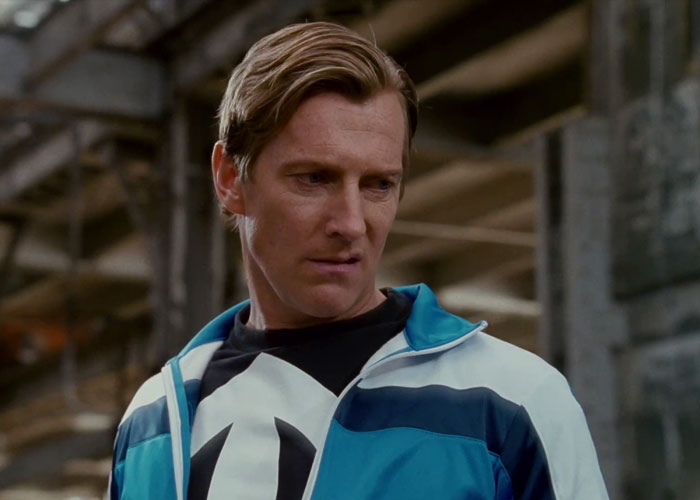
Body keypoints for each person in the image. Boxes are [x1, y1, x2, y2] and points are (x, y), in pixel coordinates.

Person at [109, 21, 609, 500]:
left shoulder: (509, 402)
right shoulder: (153, 421)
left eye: (378, 185)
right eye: (314, 179)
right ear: (229, 179)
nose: (350, 223)